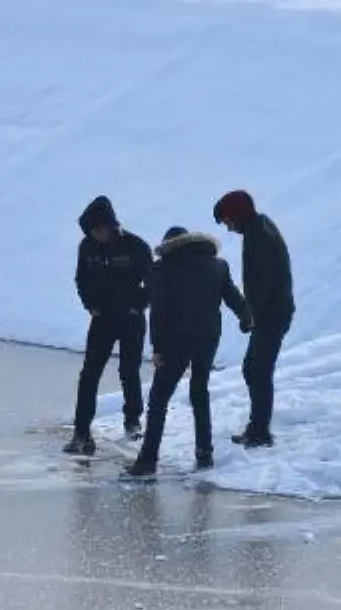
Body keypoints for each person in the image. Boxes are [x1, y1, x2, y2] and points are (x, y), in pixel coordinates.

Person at [122, 227, 252, 480]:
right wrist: (247, 317)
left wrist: (157, 347)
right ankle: (204, 455)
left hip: (175, 342)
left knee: (158, 401)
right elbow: (234, 297)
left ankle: (148, 461)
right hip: (207, 338)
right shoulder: (218, 266)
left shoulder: (162, 269)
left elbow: (159, 309)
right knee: (200, 393)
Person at [63, 196, 153, 456]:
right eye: (92, 231)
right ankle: (81, 432)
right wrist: (90, 304)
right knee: (89, 373)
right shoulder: (87, 247)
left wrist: (139, 306)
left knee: (129, 370)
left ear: (111, 225)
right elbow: (81, 279)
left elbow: (153, 282)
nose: (97, 234)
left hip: (131, 318)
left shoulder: (136, 247)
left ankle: (133, 419)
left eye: (100, 229)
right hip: (102, 318)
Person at [212, 189, 294, 448]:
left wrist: (252, 316)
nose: (228, 228)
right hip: (272, 312)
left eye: (227, 221)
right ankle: (258, 427)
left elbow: (262, 283)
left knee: (257, 370)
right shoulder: (260, 227)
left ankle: (260, 431)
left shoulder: (259, 236)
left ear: (237, 215)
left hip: (272, 314)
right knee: (255, 369)